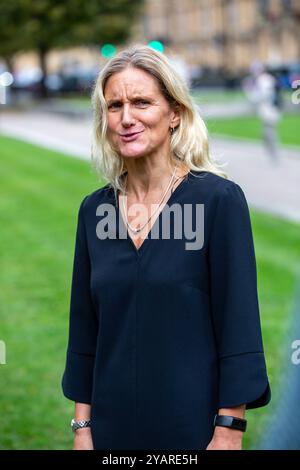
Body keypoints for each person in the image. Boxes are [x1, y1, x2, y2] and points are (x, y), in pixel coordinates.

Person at [61, 44, 271, 450]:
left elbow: (238, 322)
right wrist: (82, 429)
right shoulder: (94, 211)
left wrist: (229, 429)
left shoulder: (217, 201)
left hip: (192, 426)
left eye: (141, 102)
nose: (126, 118)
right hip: (111, 429)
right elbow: (85, 331)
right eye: (114, 105)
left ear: (174, 112)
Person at [243, 62, 282, 163]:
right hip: (269, 111)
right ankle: (272, 155)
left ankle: (274, 156)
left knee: (269, 134)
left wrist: (248, 90)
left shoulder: (263, 80)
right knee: (266, 135)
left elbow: (263, 96)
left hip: (270, 111)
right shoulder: (265, 79)